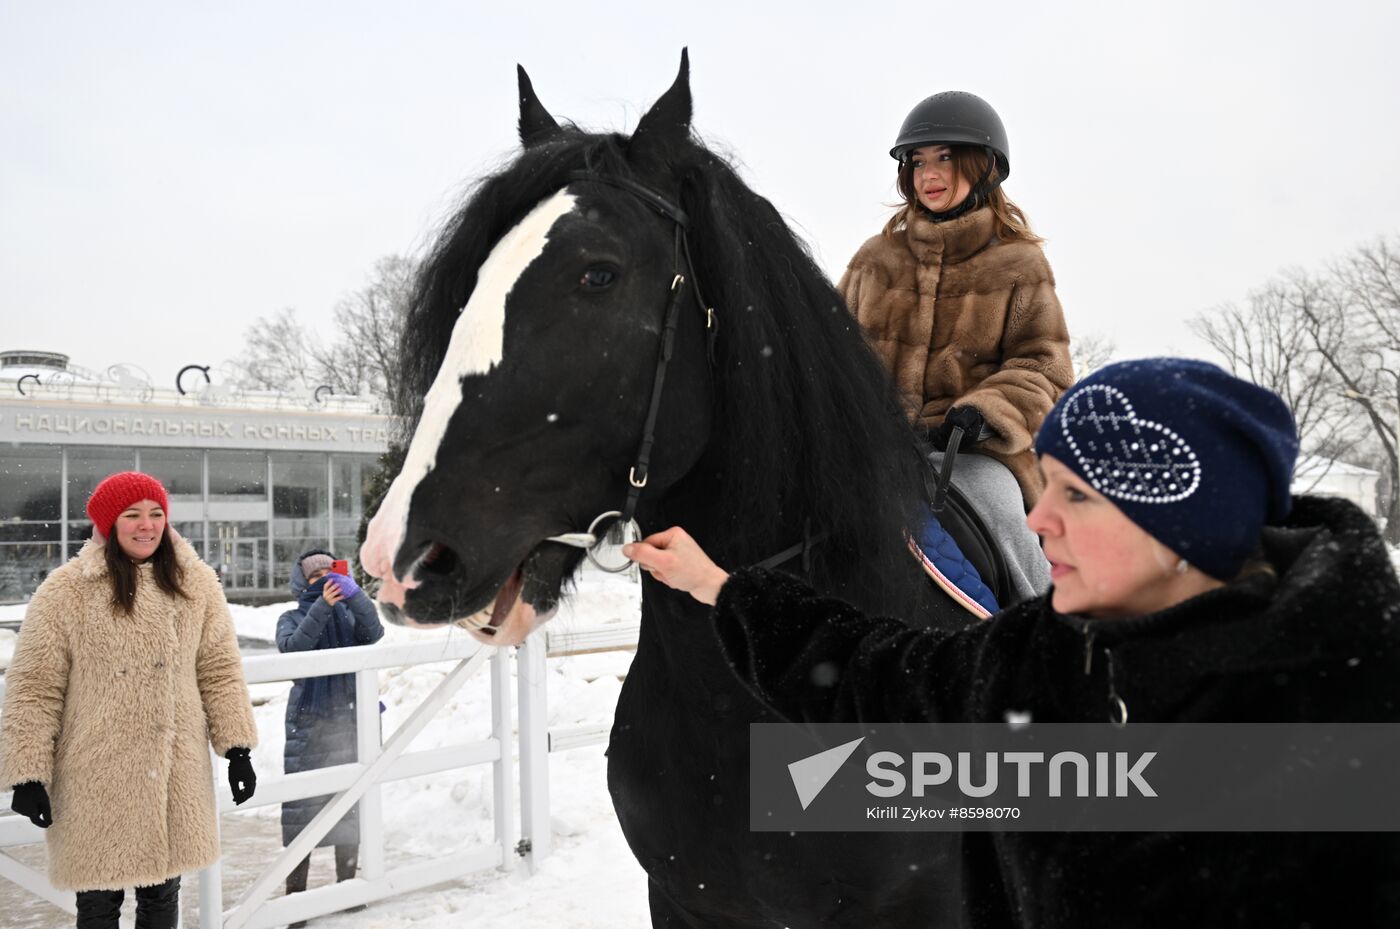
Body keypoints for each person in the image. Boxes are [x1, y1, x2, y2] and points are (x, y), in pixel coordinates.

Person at [626, 358, 1400, 925]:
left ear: (1180, 523)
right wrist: (723, 587)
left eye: (1076, 495)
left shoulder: (1356, 714)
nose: (1038, 519)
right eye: (1048, 484)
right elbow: (880, 677)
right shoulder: (1053, 652)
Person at [839, 90, 1074, 602]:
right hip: (875, 449)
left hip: (972, 452)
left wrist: (985, 413)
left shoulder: (1019, 264)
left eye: (945, 157)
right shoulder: (874, 261)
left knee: (996, 502)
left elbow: (1045, 367)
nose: (928, 174)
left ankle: (1045, 622)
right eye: (917, 161)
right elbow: (833, 353)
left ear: (983, 166)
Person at [0, 471, 258, 929]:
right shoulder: (66, 592)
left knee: (163, 896)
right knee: (98, 904)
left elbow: (219, 669)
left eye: (156, 514)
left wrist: (237, 749)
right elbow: (35, 687)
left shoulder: (195, 584)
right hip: (95, 775)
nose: (147, 525)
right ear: (108, 523)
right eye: (132, 515)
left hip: (174, 775)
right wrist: (27, 774)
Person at [276, 549, 383, 919]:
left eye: (329, 572)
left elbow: (374, 633)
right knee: (302, 810)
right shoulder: (290, 617)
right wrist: (322, 606)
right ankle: (295, 900)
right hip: (309, 723)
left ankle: (347, 888)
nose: (323, 579)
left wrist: (357, 597)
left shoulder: (350, 614)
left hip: (349, 719)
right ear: (301, 583)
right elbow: (294, 649)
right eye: (314, 576)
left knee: (349, 805)